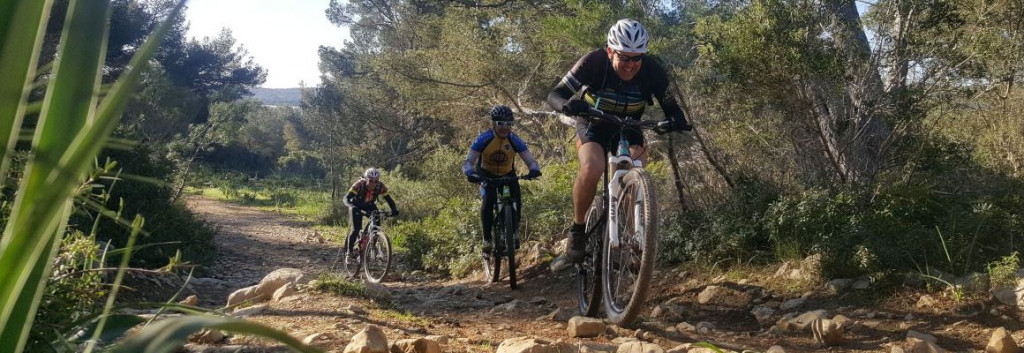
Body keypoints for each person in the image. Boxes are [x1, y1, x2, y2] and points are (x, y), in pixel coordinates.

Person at [547, 19, 692, 266]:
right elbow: (555, 94)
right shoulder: (593, 61)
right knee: (593, 168)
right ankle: (577, 232)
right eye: (624, 58)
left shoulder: (652, 70)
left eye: (637, 58)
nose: (631, 65)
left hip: (629, 127)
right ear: (610, 51)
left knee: (635, 173)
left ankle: (634, 240)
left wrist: (675, 121)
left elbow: (672, 108)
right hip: (593, 124)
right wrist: (567, 105)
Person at [462, 105, 542, 257]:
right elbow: (468, 161)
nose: (505, 127)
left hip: (507, 174)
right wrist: (470, 173)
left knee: (517, 202)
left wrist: (533, 170)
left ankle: (514, 232)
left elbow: (530, 160)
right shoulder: (483, 139)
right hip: (486, 174)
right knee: (488, 200)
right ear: (494, 123)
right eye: (501, 123)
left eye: (509, 124)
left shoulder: (514, 140)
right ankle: (487, 240)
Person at [343, 167, 399, 259]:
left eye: (375, 181)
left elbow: (389, 200)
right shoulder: (359, 184)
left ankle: (369, 246)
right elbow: (346, 198)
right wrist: (351, 206)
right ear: (365, 179)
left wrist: (394, 210)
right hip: (356, 205)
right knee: (356, 229)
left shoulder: (380, 186)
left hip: (369, 205)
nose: (373, 183)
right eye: (370, 180)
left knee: (377, 226)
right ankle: (349, 251)